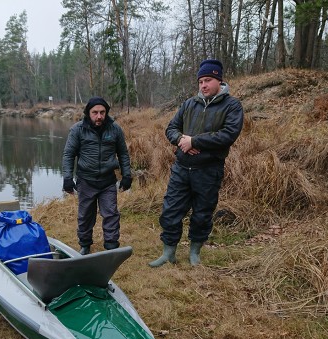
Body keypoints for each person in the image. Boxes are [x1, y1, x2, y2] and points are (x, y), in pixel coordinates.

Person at [149, 59, 244, 267]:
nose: (203, 85)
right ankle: (168, 253)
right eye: (200, 81)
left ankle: (194, 254)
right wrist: (181, 140)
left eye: (208, 80)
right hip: (182, 168)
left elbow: (228, 135)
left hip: (209, 170)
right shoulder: (189, 104)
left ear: (219, 80)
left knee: (202, 213)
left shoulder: (232, 106)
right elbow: (171, 128)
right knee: (171, 210)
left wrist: (195, 140)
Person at [62, 96, 132, 255]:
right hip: (86, 181)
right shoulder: (77, 129)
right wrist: (67, 178)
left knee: (111, 214)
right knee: (86, 215)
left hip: (108, 181)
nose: (99, 116)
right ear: (88, 113)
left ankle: (111, 245)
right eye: (95, 112)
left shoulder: (115, 129)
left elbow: (123, 153)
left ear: (106, 112)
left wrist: (126, 175)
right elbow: (68, 155)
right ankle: (85, 244)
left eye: (102, 112)